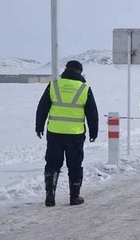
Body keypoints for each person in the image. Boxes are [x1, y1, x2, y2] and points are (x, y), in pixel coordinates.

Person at [35, 60, 99, 206]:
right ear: (80, 72)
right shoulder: (84, 88)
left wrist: (39, 126)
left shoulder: (54, 85)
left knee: (52, 164)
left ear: (66, 70)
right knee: (75, 165)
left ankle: (50, 195)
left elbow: (42, 107)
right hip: (75, 134)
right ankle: (74, 197)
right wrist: (93, 131)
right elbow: (92, 113)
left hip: (55, 132)